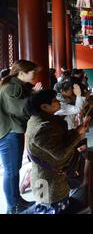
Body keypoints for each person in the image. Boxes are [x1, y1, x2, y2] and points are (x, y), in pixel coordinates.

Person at [24, 90, 88, 214]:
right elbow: (60, 153)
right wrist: (77, 134)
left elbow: (57, 141)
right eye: (54, 100)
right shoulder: (42, 128)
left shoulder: (42, 120)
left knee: (58, 205)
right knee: (51, 208)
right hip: (49, 181)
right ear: (44, 106)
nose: (58, 101)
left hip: (53, 177)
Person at [0, 60, 42, 214]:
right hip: (9, 132)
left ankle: (17, 201)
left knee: (14, 169)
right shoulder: (10, 88)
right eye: (32, 72)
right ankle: (12, 207)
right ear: (21, 73)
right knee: (11, 171)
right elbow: (22, 109)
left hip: (13, 131)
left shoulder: (17, 85)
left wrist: (33, 93)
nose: (34, 75)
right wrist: (35, 95)